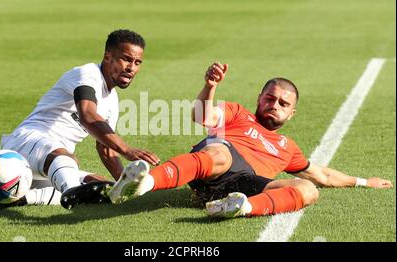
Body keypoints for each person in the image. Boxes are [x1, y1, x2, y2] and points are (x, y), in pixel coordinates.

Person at [108, 61, 393, 218]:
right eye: (270, 98)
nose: (275, 105)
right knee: (220, 152)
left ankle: (239, 207)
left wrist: (365, 181)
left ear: (291, 113)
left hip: (241, 183)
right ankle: (144, 183)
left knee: (308, 190)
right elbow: (203, 117)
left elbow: (322, 175)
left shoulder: (287, 147)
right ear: (259, 98)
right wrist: (210, 87)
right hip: (214, 165)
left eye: (283, 103)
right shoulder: (237, 113)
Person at [0, 29, 160, 210]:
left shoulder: (112, 101)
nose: (131, 68)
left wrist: (125, 183)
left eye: (137, 62)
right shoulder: (87, 74)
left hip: (53, 166)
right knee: (66, 160)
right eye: (126, 59)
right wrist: (127, 149)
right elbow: (87, 115)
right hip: (26, 143)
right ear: (108, 57)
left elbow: (105, 149)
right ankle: (72, 191)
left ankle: (27, 197)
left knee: (104, 186)